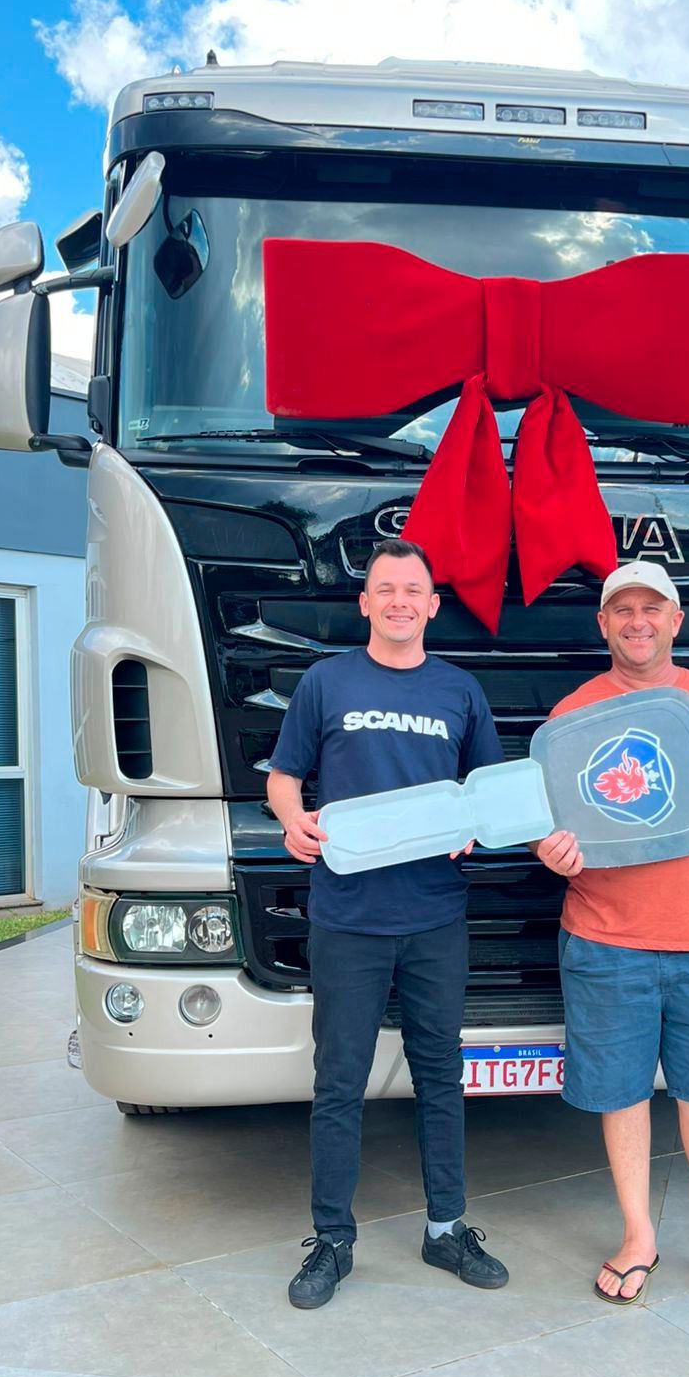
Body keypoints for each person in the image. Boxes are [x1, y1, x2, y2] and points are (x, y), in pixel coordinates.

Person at [535, 560, 689, 1319]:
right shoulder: (572, 717)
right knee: (621, 1097)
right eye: (623, 610)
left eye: (652, 609)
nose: (637, 621)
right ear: (603, 624)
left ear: (676, 621)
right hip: (605, 937)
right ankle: (638, 1235)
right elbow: (546, 824)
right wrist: (551, 851)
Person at [267, 538, 510, 1309]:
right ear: (365, 602)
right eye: (386, 589)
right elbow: (283, 777)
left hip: (436, 916)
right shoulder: (326, 682)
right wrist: (293, 820)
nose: (400, 600)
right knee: (340, 1081)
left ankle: (447, 1229)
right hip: (347, 917)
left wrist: (475, 821)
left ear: (433, 606)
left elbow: (490, 791)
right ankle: (332, 1241)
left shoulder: (459, 690)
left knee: (440, 1075)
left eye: (413, 590)